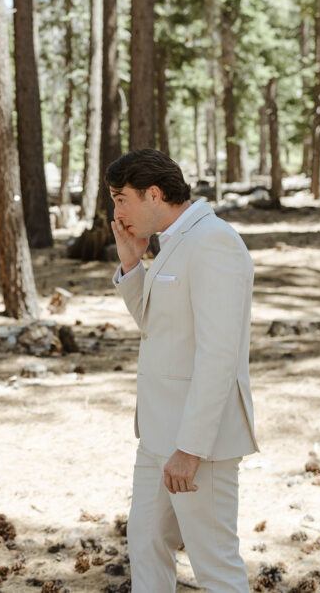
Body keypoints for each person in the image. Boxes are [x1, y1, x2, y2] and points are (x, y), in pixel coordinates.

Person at [107, 149, 258, 593]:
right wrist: (133, 265)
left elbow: (219, 355)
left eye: (121, 199)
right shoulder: (174, 241)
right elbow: (157, 328)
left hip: (197, 443)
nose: (116, 212)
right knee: (147, 546)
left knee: (215, 566)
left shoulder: (214, 241)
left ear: (153, 194)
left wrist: (190, 448)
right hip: (156, 434)